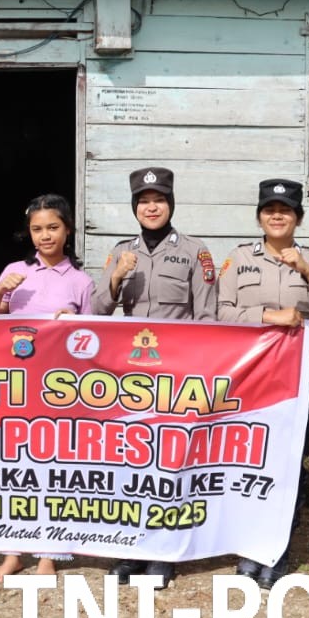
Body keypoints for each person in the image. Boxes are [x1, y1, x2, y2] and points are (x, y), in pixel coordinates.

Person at [91, 167, 219, 588]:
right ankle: (132, 548)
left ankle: (164, 551)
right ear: (135, 207)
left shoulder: (195, 252)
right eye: (143, 201)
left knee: (171, 463)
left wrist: (197, 372)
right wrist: (116, 277)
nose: (151, 207)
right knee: (131, 463)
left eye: (159, 200)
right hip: (130, 377)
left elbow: (207, 317)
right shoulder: (120, 251)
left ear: (170, 204)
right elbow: (96, 311)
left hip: (176, 375)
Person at [217, 178, 309, 588]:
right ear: (259, 217)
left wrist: (306, 270)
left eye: (285, 210)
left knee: (289, 462)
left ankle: (277, 549)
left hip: (297, 375)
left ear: (298, 219)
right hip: (248, 375)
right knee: (247, 459)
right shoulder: (238, 258)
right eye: (269, 210)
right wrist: (269, 317)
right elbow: (220, 312)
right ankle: (248, 547)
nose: (277, 216)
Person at [0, 193, 93, 581]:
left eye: (53, 227)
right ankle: (12, 551)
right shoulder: (15, 271)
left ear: (68, 230)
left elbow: (91, 342)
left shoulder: (81, 281)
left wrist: (72, 325)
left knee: (55, 469)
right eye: (37, 229)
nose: (45, 236)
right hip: (16, 385)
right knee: (13, 468)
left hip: (59, 388)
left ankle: (49, 554)